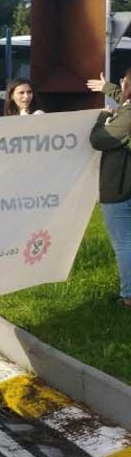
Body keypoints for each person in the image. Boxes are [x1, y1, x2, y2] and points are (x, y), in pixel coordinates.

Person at [90, 69, 131, 307]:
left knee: (124, 242)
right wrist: (110, 89)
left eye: (125, 82)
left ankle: (128, 296)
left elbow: (100, 139)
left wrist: (101, 118)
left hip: (119, 186)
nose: (122, 84)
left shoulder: (127, 114)